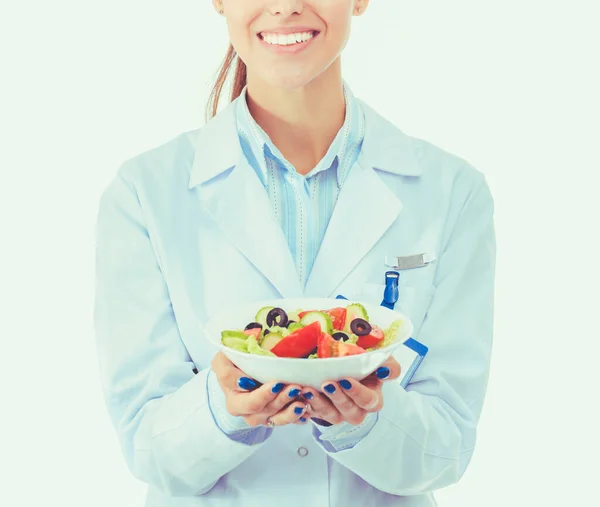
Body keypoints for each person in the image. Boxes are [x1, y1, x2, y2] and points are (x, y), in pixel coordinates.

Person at [94, 1, 496, 506]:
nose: (284, 6)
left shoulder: (452, 193)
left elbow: (447, 449)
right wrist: (224, 408)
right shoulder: (143, 195)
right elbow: (147, 449)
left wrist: (367, 419)